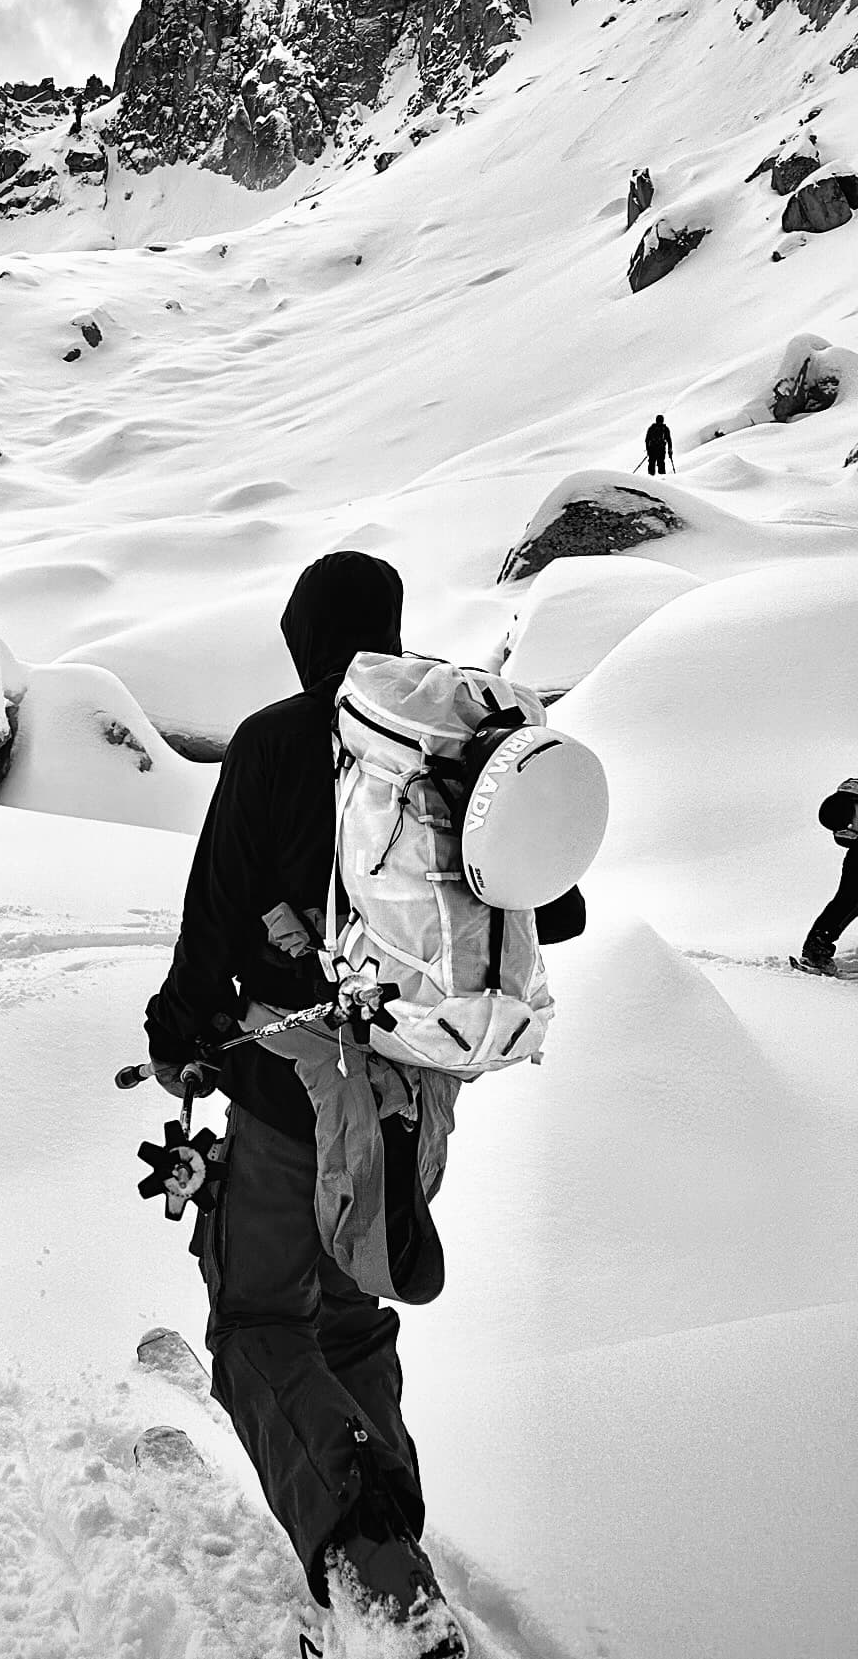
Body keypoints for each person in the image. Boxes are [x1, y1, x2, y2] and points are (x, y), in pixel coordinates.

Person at [143, 553, 584, 1655]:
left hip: (296, 1091)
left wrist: (177, 1035)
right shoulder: (443, 747)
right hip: (421, 1092)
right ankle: (395, 1557)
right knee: (349, 1319)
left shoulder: (279, 741)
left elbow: (215, 914)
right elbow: (553, 906)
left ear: (301, 637)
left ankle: (376, 1580)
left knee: (257, 1322)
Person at [798, 779, 858, 973]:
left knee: (848, 900)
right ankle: (816, 950)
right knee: (848, 900)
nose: (850, 828)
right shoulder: (841, 807)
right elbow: (842, 837)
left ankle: (817, 949)